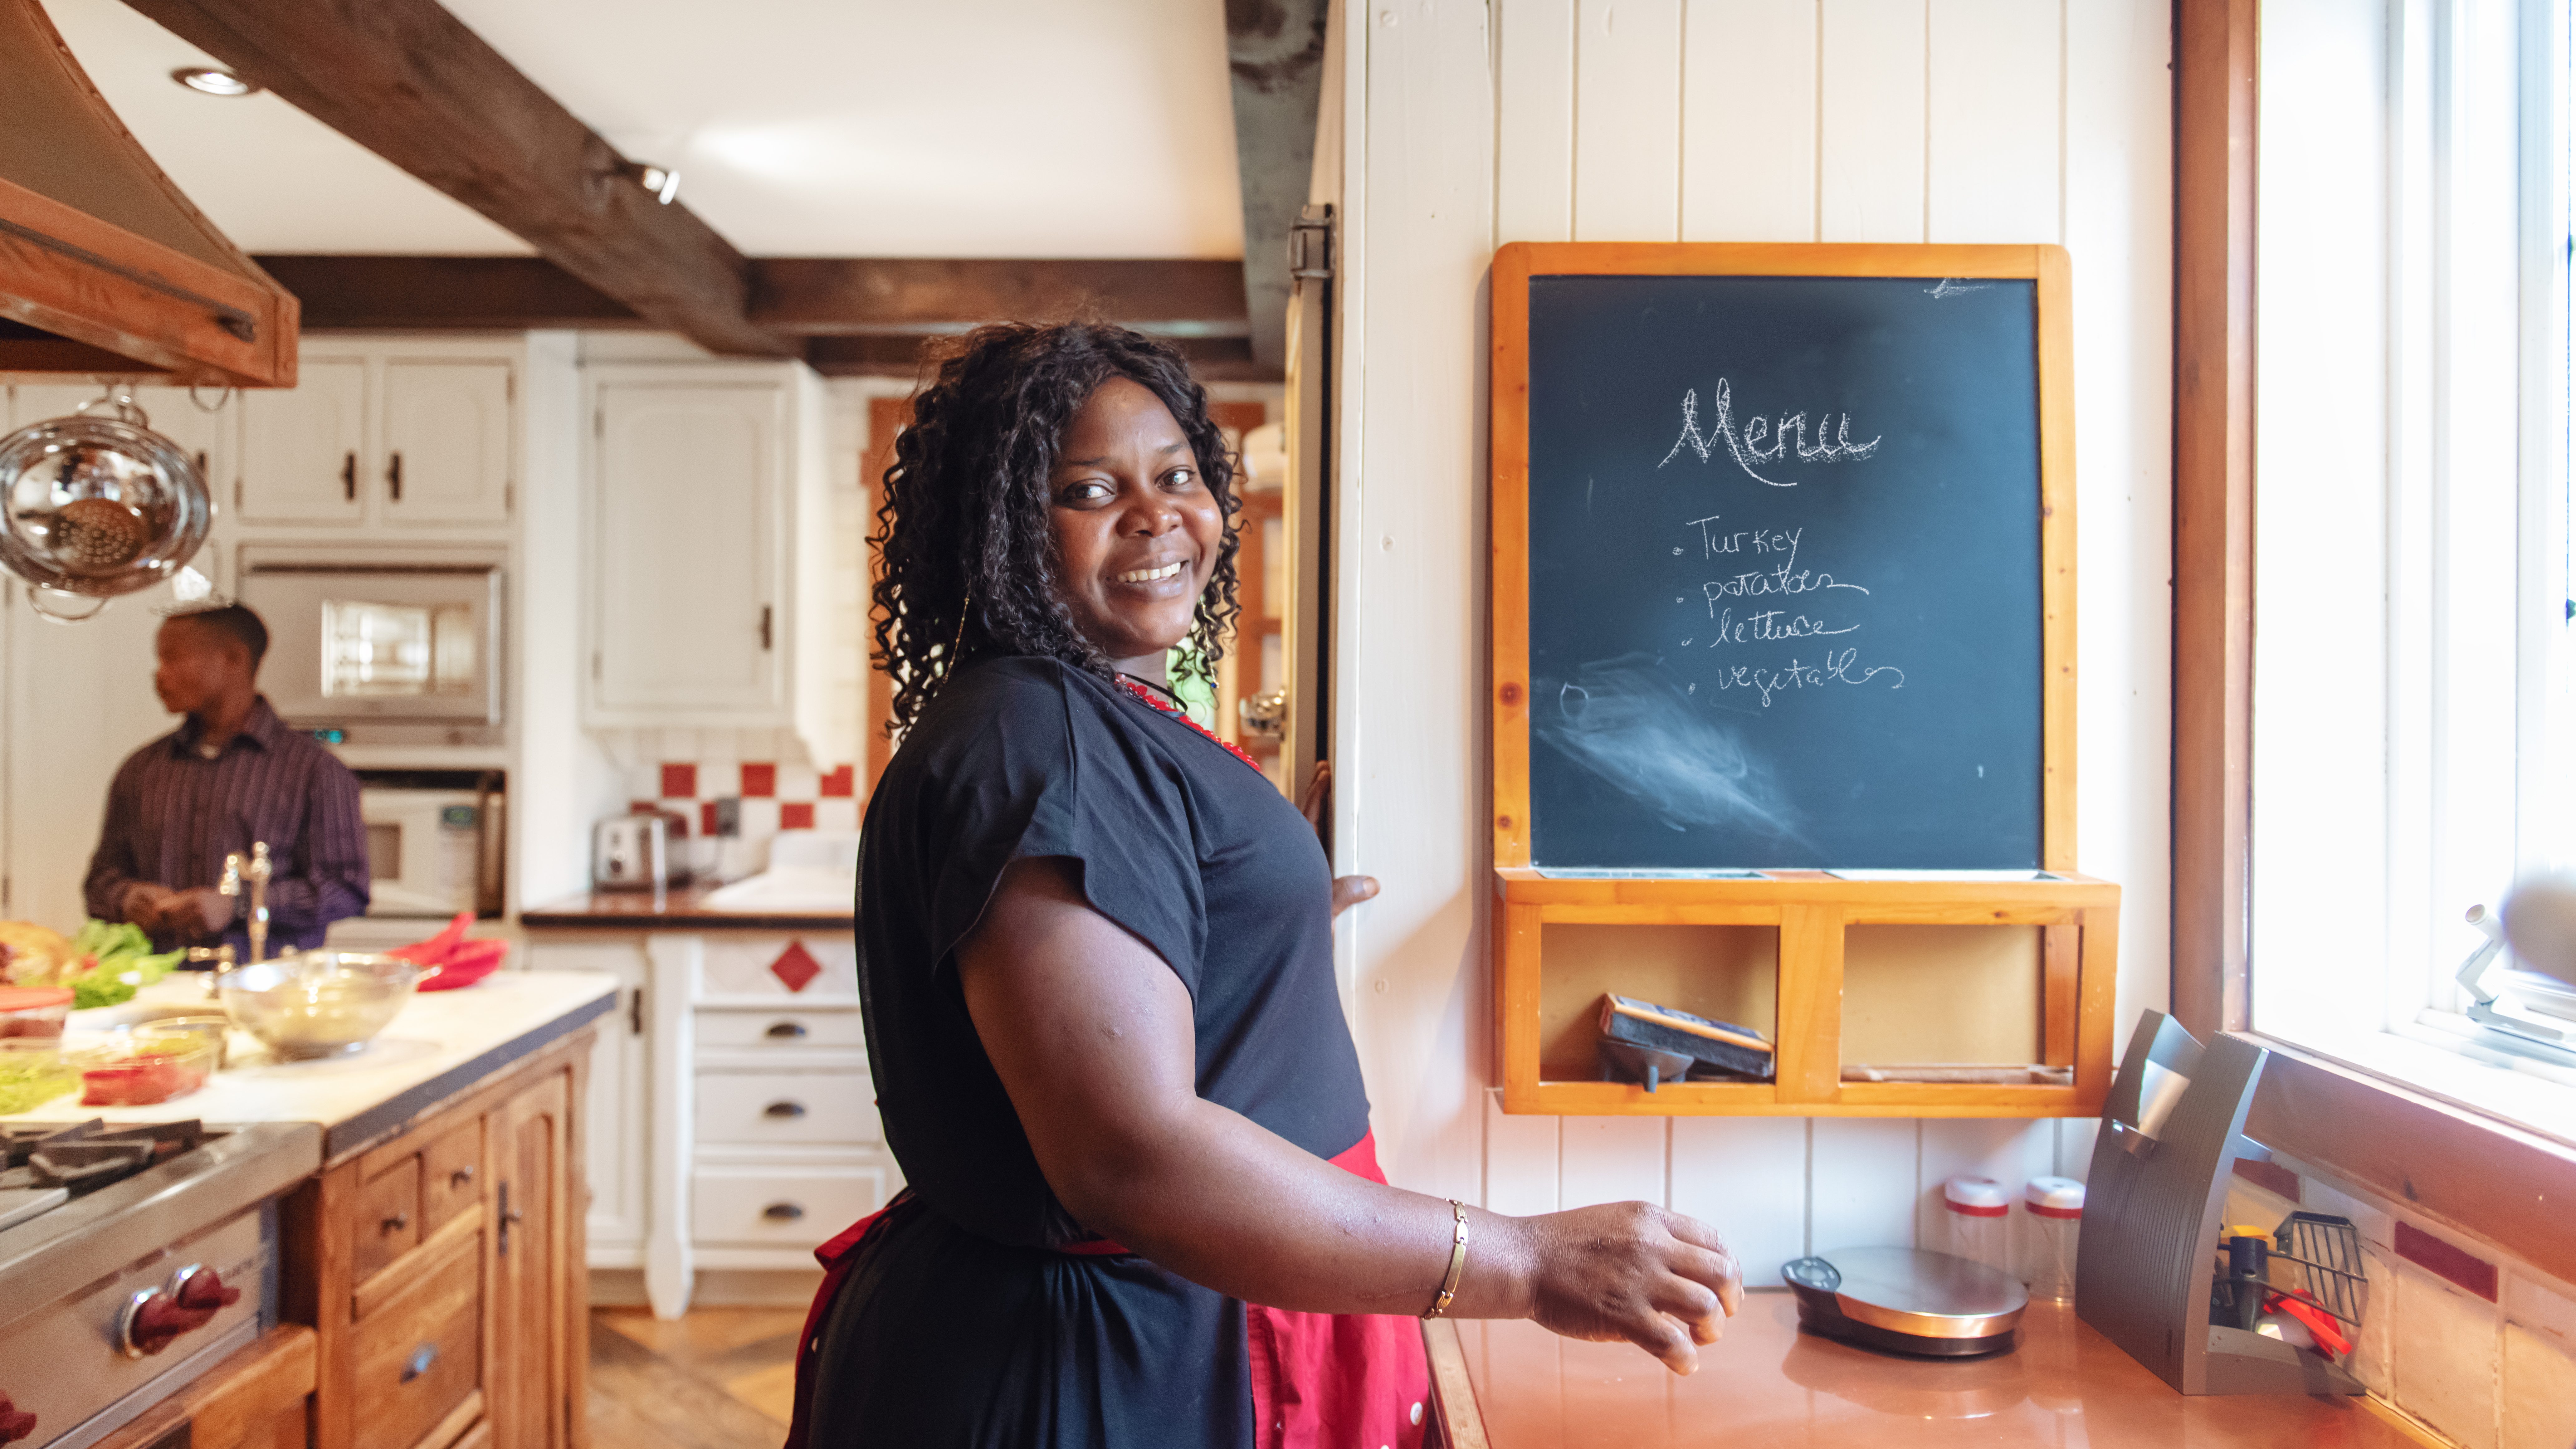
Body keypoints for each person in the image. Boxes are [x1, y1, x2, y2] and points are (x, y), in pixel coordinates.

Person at [790, 322, 1743, 1449]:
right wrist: (1525, 1263)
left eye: (1178, 475)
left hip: (1119, 1337)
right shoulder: (1041, 734)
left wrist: (1259, 907)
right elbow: (1127, 1156)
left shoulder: (1080, 720)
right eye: (1089, 488)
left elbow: (1124, 975)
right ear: (1000, 525)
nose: (1155, 516)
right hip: (1086, 1375)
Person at [83, 603, 369, 958]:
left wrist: (237, 905)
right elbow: (99, 883)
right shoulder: (142, 769)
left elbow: (346, 891)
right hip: (157, 987)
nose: (160, 675)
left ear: (233, 659)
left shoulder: (315, 771)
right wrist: (126, 899)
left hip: (268, 989)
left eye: (173, 659)